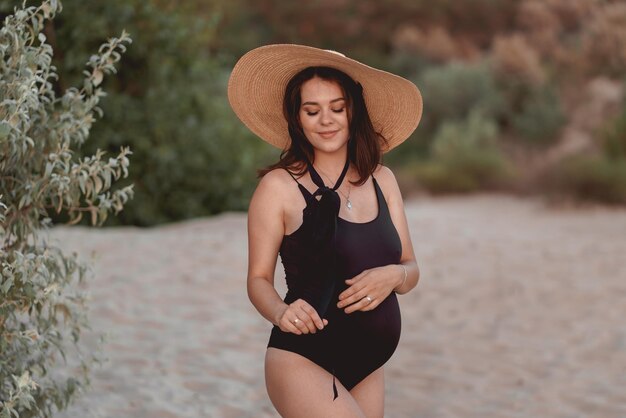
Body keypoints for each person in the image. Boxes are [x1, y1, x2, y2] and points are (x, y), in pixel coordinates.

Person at [228, 44, 423, 418]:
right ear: (297, 118)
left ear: (353, 112)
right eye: (312, 110)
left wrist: (394, 276)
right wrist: (279, 312)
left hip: (369, 363)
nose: (326, 120)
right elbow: (257, 279)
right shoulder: (278, 187)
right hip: (304, 357)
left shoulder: (384, 180)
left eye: (337, 107)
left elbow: (411, 268)